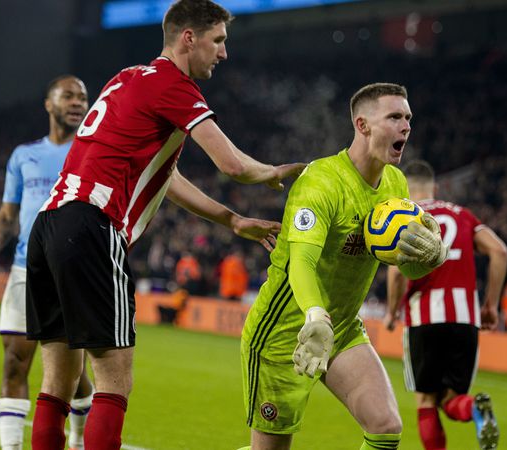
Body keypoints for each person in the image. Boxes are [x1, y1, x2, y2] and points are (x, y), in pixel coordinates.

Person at [24, 1, 305, 449]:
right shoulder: (175, 85)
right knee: (114, 378)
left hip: (50, 225)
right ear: (188, 39)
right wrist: (275, 171)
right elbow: (232, 164)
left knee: (58, 379)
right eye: (218, 41)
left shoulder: (128, 78)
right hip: (93, 226)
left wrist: (231, 219)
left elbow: (166, 175)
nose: (223, 53)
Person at [240, 83, 447, 450]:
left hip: (342, 328)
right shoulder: (320, 181)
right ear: (363, 125)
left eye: (408, 118)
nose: (406, 126)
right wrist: (315, 315)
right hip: (286, 331)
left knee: (385, 425)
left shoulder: (396, 184)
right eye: (395, 117)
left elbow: (405, 266)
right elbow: (300, 261)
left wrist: (430, 258)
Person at [0, 75, 94, 450]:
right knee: (15, 362)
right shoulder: (24, 156)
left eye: (82, 98)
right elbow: (8, 215)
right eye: (67, 96)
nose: (77, 103)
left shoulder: (93, 151)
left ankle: (79, 439)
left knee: (74, 371)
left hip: (74, 273)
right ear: (48, 104)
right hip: (25, 270)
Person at [385, 159, 507, 450]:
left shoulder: (407, 218)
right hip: (465, 319)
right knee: (452, 400)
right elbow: (500, 251)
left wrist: (392, 312)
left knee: (426, 401)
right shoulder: (463, 215)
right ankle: (475, 410)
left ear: (405, 188)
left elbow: (395, 273)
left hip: (423, 318)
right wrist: (491, 305)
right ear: (435, 188)